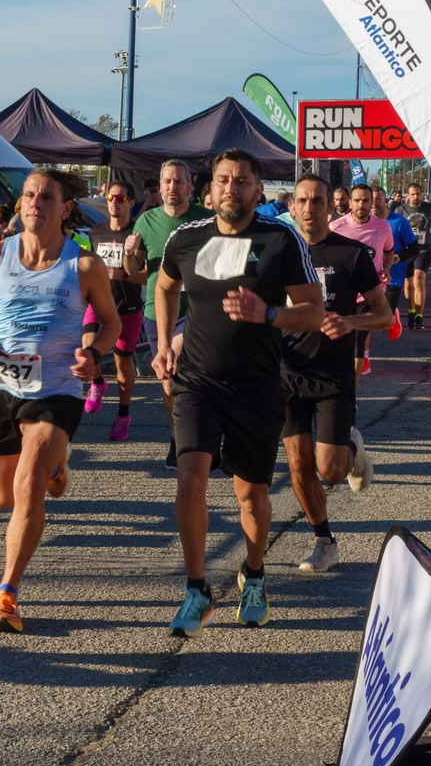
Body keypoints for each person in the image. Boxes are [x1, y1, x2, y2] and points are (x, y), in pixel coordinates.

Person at [153, 149, 322, 634]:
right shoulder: (186, 238)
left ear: (258, 190)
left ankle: (254, 573)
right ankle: (196, 589)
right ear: (210, 190)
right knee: (191, 478)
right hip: (197, 382)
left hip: (258, 385)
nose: (232, 188)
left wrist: (268, 313)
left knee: (251, 496)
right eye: (224, 180)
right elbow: (164, 287)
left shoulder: (280, 239)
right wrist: (165, 344)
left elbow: (313, 311)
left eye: (242, 180)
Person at [0, 169, 119, 633]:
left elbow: (111, 323)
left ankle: (7, 592)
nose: (34, 203)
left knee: (27, 483)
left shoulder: (83, 266)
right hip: (2, 386)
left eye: (46, 197)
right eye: (29, 195)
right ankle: (56, 465)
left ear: (66, 208)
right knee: (2, 496)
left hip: (57, 389)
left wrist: (94, 354)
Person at [282, 175, 388, 574]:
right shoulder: (277, 251)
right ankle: (324, 541)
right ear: (292, 207)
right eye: (302, 201)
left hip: (332, 374)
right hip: (286, 370)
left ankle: (352, 450)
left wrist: (349, 321)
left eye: (318, 201)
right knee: (297, 464)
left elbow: (384, 314)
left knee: (329, 469)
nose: (310, 208)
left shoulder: (353, 254)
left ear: (331, 207)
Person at [133, 159, 215, 467]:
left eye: (179, 181)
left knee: (190, 371)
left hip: (197, 309)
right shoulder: (146, 221)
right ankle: (178, 438)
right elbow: (134, 270)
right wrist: (129, 254)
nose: (172, 187)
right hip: (158, 310)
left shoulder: (207, 220)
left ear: (189, 186)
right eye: (167, 181)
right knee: (168, 381)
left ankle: (201, 437)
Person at [83, 180, 149, 439]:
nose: (114, 202)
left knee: (123, 366)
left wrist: (122, 274)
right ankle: (98, 382)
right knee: (89, 347)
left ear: (131, 204)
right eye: (111, 198)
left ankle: (123, 414)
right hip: (98, 302)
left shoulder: (137, 234)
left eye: (121, 199)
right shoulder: (95, 232)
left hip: (127, 307)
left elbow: (146, 276)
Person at [330, 185, 395, 381]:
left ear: (371, 202)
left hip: (368, 292)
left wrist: (386, 268)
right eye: (357, 200)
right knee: (339, 340)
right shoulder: (336, 227)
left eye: (366, 200)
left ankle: (352, 391)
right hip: (342, 292)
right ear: (350, 202)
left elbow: (389, 250)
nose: (361, 205)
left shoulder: (383, 227)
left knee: (359, 341)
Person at [374, 185, 418, 341]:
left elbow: (414, 249)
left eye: (377, 200)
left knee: (382, 320)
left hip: (394, 276)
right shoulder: (365, 222)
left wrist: (397, 258)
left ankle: (392, 317)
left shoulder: (399, 222)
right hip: (371, 276)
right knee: (367, 318)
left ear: (385, 200)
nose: (373, 204)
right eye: (370, 200)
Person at [398, 182, 431, 328]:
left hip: (424, 249)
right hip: (408, 250)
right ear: (408, 196)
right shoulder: (401, 210)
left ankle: (419, 317)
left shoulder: (428, 208)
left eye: (418, 194)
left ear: (422, 194)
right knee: (408, 285)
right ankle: (411, 311)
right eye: (413, 194)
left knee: (418, 280)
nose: (416, 197)